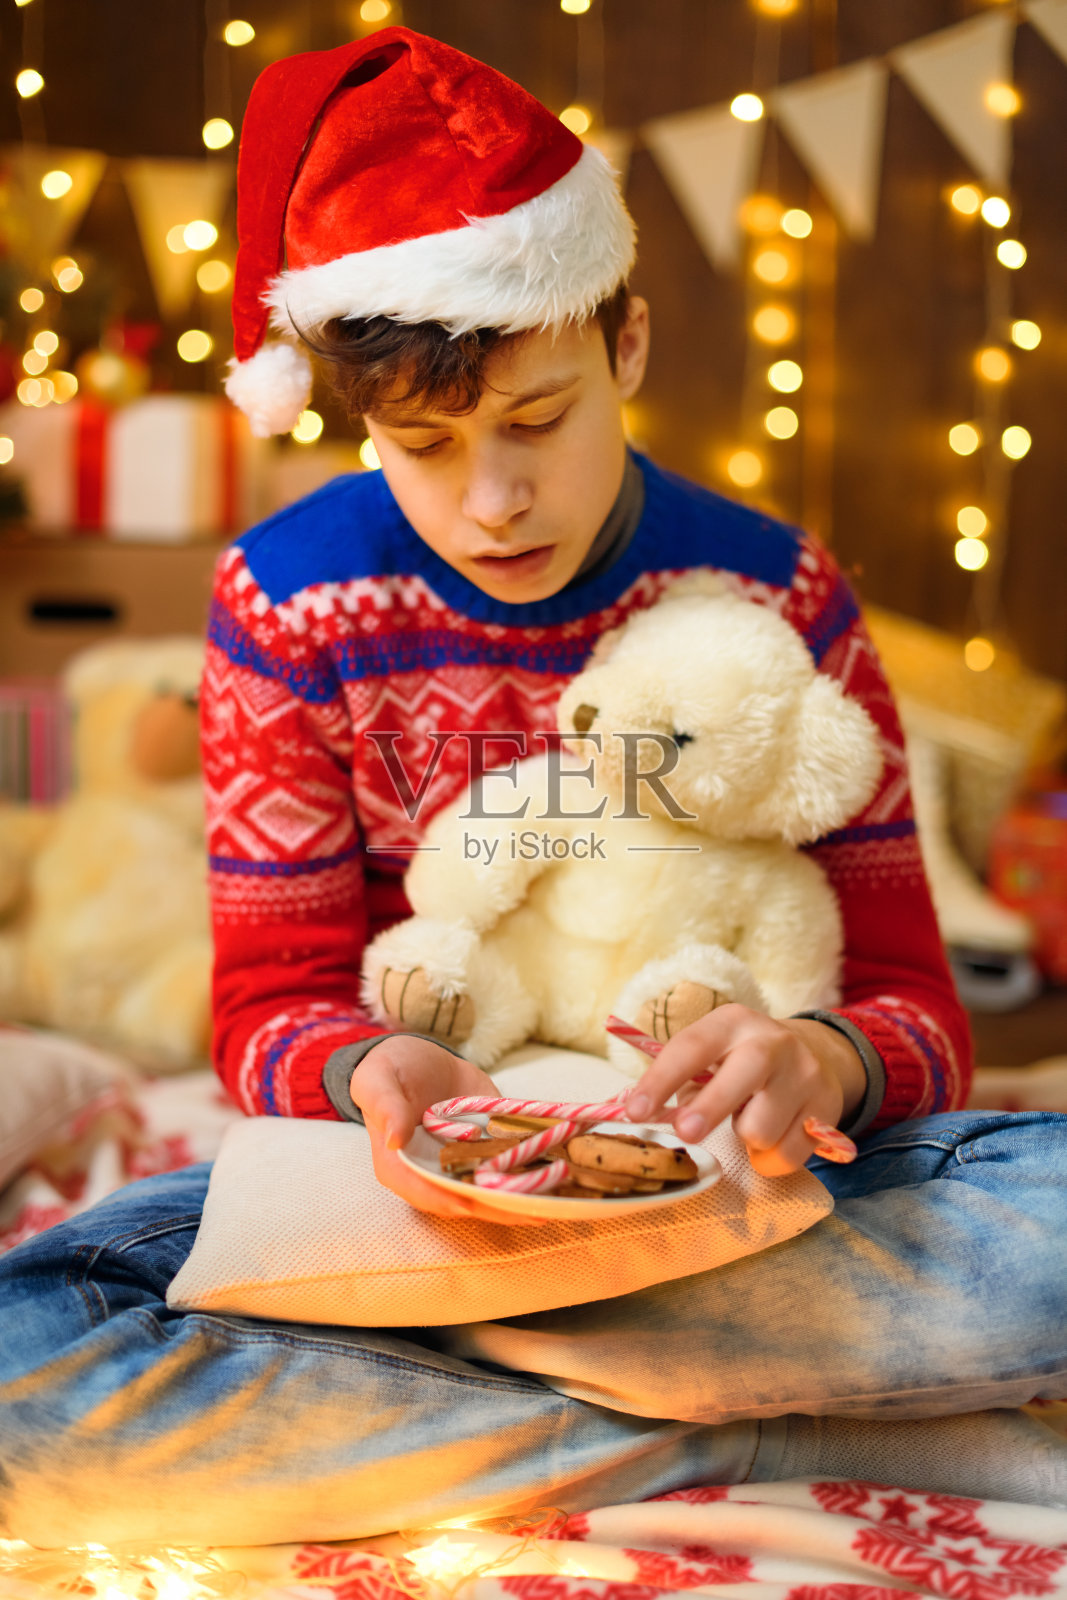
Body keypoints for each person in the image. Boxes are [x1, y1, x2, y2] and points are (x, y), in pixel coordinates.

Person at [1, 27, 1065, 1550]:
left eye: (538, 419)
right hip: (421, 1207)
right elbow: (270, 1010)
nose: (492, 502)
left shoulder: (780, 592)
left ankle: (456, 1416)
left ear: (624, 343)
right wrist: (366, 1077)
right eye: (423, 446)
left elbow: (911, 1001)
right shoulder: (285, 604)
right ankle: (746, 1420)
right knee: (27, 1357)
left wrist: (825, 1062)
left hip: (737, 1205)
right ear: (358, 418)